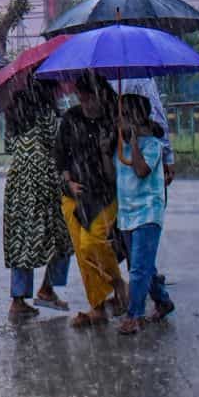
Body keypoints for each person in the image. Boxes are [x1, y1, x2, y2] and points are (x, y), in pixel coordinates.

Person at [57, 75, 127, 327]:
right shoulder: (71, 118)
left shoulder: (112, 121)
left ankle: (117, 284)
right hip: (74, 195)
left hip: (105, 194)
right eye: (81, 98)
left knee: (93, 243)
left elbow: (117, 167)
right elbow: (60, 157)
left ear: (102, 96)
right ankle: (97, 306)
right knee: (82, 253)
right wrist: (68, 182)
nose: (84, 104)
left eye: (89, 98)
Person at [1, 81, 74, 318]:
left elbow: (8, 146)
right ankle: (47, 288)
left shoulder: (13, 112)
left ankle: (19, 298)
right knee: (62, 235)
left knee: (21, 237)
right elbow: (57, 141)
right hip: (44, 178)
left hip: (18, 180)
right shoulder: (46, 112)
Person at [114, 94, 175, 335]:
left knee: (138, 268)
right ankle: (163, 300)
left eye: (125, 115)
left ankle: (134, 315)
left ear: (136, 118)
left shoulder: (152, 145)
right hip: (127, 212)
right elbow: (113, 173)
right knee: (144, 266)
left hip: (148, 212)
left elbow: (140, 170)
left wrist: (135, 141)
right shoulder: (122, 146)